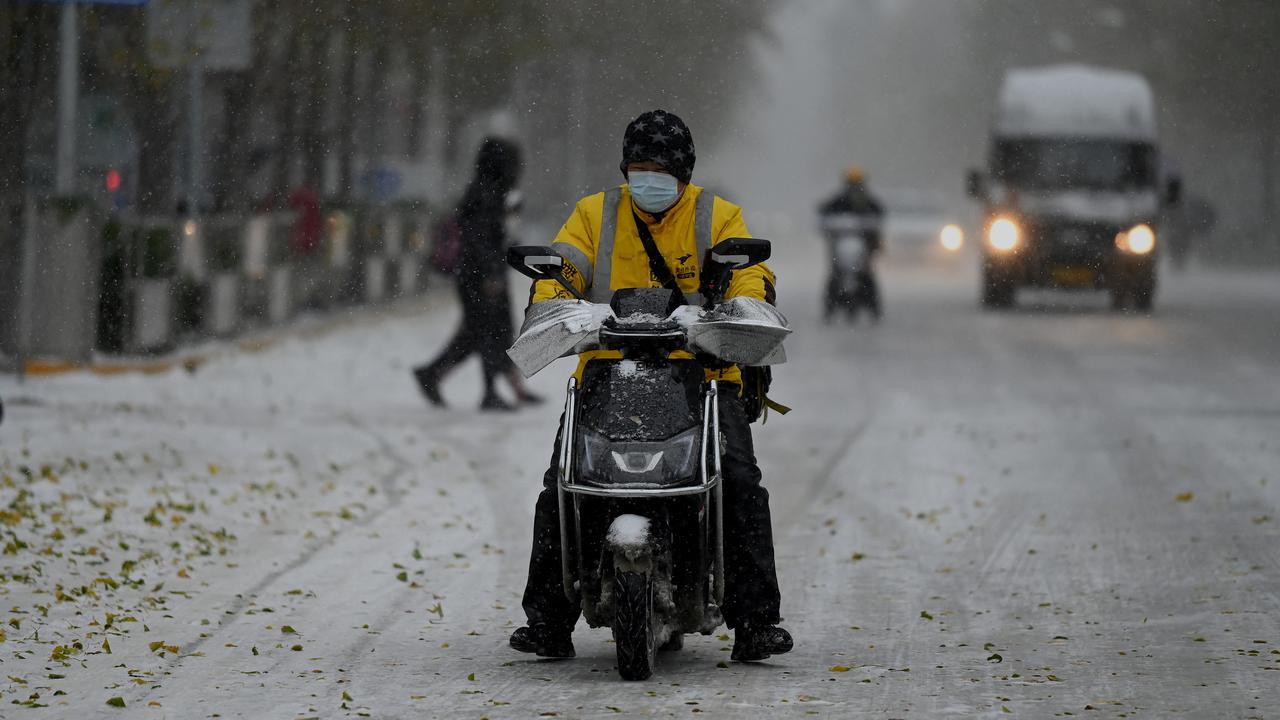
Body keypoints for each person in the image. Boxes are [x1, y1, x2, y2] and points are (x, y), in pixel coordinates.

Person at [508, 109, 793, 663]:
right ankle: (547, 621)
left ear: (684, 172)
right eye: (639, 169)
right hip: (609, 372)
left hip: (703, 376)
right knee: (561, 484)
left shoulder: (718, 216)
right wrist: (555, 304)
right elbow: (561, 271)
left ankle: (756, 622)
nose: (649, 179)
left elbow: (750, 274)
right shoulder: (594, 214)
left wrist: (741, 306)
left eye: (661, 170)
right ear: (625, 169)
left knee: (739, 482)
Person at [413, 137, 541, 411]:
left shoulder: (491, 191)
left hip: (484, 273)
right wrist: (491, 274)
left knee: (485, 332)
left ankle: (434, 375)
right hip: (480, 276)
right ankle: (488, 391)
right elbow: (480, 240)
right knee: (486, 333)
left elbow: (498, 237)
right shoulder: (485, 193)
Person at [818, 166, 884, 321]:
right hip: (841, 247)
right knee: (834, 274)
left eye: (857, 183)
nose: (854, 187)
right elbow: (824, 211)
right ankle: (829, 306)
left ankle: (874, 307)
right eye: (852, 183)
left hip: (862, 249)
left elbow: (879, 213)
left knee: (868, 274)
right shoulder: (839, 201)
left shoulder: (868, 202)